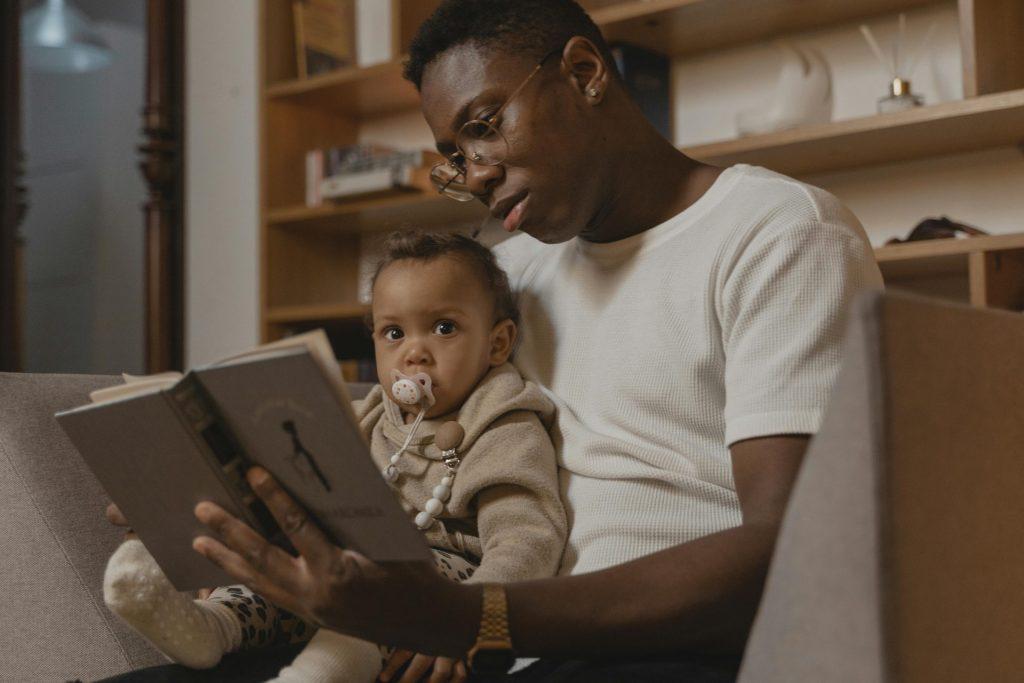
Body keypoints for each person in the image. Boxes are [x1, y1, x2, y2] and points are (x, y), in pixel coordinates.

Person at [109, 1, 884, 681]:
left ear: (584, 72)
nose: (475, 173)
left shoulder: (778, 233)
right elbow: (414, 446)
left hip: (670, 651)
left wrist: (473, 616)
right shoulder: (509, 276)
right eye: (455, 156)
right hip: (483, 641)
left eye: (483, 127)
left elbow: (789, 548)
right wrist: (222, 501)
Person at [101, 232, 566, 683]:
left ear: (498, 343)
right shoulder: (371, 417)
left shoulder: (504, 423)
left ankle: (317, 673)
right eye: (393, 332)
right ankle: (210, 627)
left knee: (372, 605)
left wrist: (469, 621)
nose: (414, 353)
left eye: (444, 328)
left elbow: (526, 539)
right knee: (279, 579)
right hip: (346, 567)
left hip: (442, 585)